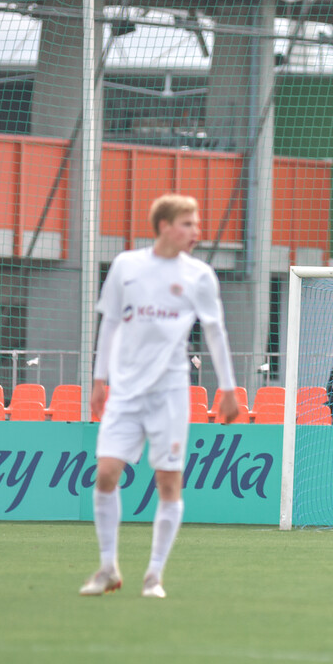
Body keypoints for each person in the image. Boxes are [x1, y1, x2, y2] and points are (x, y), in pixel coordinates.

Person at [80, 194, 239, 599]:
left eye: (197, 224)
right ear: (165, 226)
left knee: (169, 484)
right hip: (126, 393)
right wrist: (99, 380)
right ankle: (107, 567)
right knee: (106, 474)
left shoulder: (200, 275)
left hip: (169, 393)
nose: (196, 232)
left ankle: (153, 575)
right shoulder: (126, 266)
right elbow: (111, 322)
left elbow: (215, 332)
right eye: (188, 223)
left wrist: (228, 387)